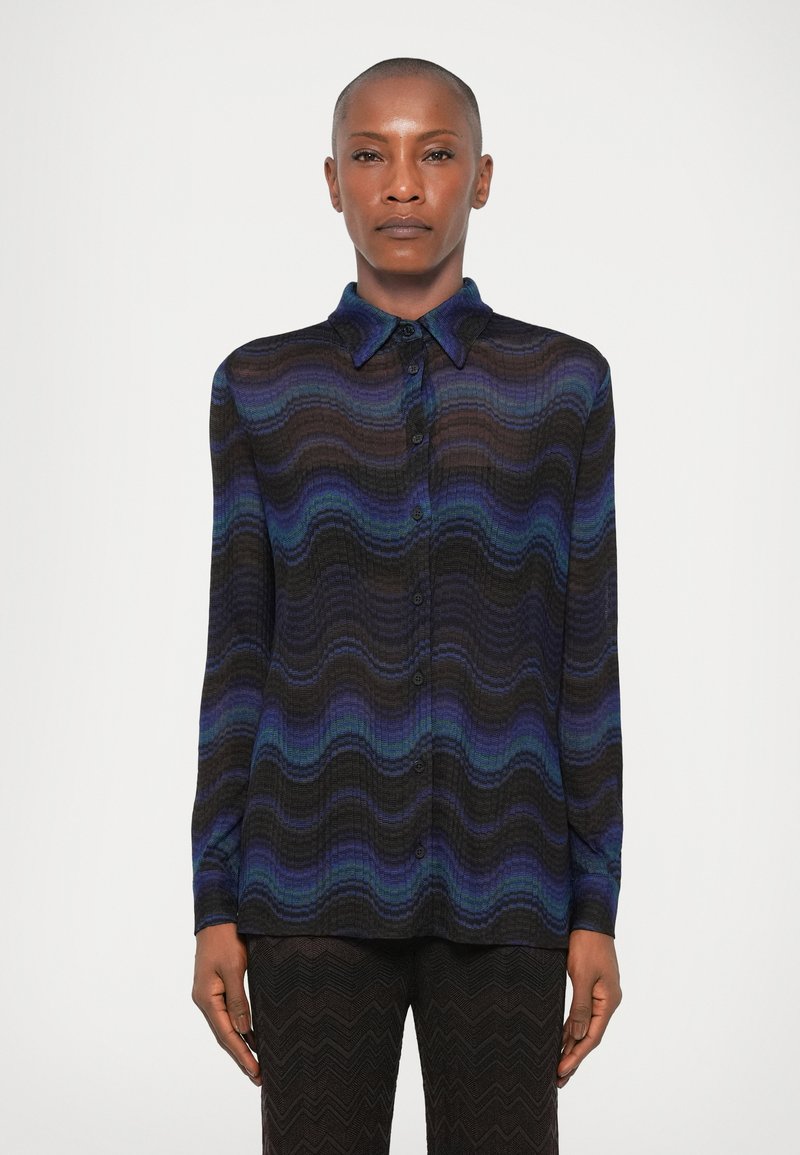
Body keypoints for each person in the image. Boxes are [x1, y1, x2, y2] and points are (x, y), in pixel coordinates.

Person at [191, 56, 623, 1154]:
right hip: (304, 877)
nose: (400, 184)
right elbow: (238, 652)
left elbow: (583, 657)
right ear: (330, 180)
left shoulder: (562, 385)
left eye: (434, 153)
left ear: (481, 177)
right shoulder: (261, 387)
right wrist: (212, 898)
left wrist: (594, 905)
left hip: (510, 876)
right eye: (368, 155)